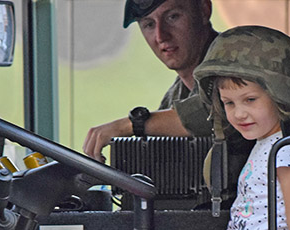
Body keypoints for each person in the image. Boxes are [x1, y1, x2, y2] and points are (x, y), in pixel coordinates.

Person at [110, 26, 290, 230]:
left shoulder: (286, 151)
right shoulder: (266, 144)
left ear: (281, 95)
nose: (238, 114)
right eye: (229, 103)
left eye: (250, 100)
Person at [83, 0, 217, 162]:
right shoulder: (178, 93)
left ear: (204, 10)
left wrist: (128, 126)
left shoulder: (232, 59)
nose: (161, 36)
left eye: (172, 17)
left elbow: (216, 113)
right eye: (149, 24)